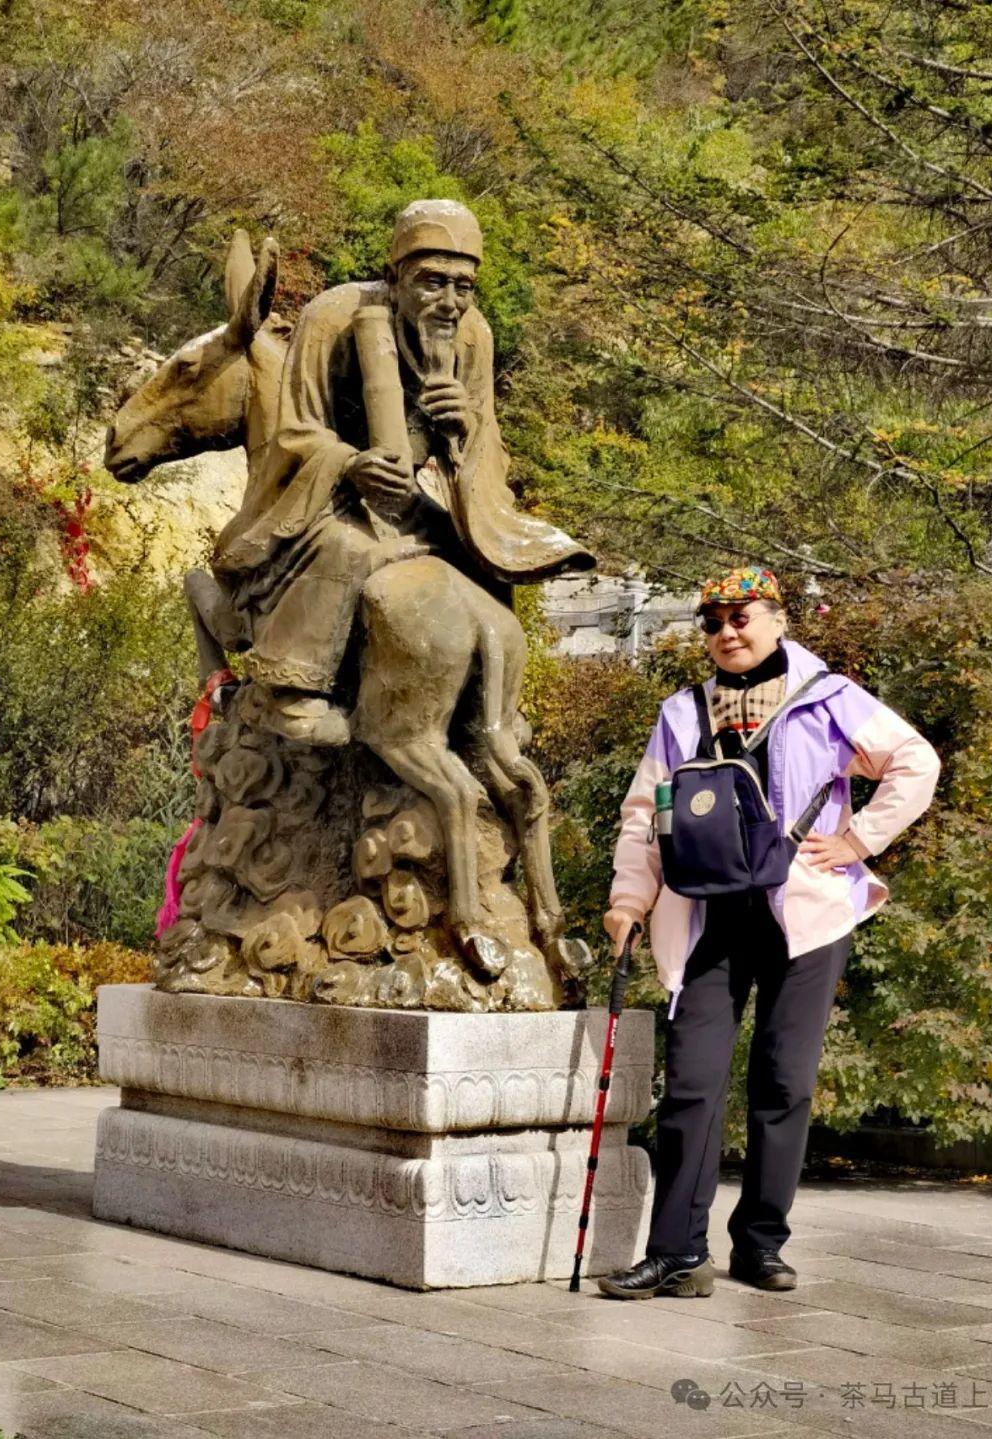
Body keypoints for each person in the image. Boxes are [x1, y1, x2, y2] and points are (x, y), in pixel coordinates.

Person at [599, 565, 940, 1299]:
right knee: (691, 1084)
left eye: (741, 617)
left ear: (778, 619)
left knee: (784, 1082)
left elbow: (916, 761)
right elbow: (645, 815)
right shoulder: (681, 713)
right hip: (706, 915)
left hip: (806, 915)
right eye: (713, 621)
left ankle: (759, 1243)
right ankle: (677, 1253)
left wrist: (859, 839)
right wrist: (629, 898)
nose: (726, 632)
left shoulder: (829, 698)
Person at [211, 198, 592, 741]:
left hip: (407, 495)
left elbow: (489, 449)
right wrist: (349, 464)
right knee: (346, 547)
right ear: (393, 278)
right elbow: (295, 431)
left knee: (482, 554)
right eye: (432, 282)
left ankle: (490, 708)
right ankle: (293, 687)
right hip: (332, 494)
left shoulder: (473, 336)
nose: (450, 302)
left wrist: (464, 428)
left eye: (463, 286)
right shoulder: (332, 317)